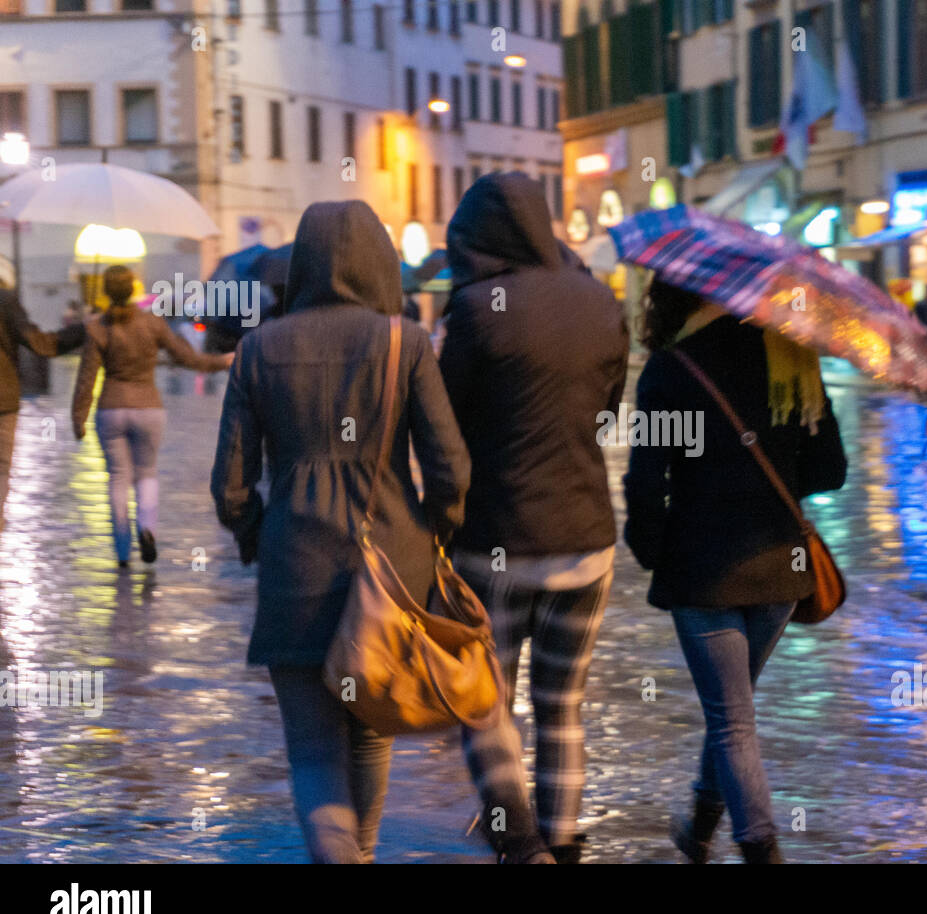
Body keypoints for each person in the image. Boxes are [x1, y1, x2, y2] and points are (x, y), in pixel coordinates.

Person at [211, 200, 471, 863]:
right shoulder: (403, 341)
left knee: (314, 749)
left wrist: (256, 535)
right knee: (370, 731)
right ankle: (364, 852)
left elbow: (230, 485)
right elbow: (451, 467)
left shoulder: (256, 350)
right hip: (393, 568)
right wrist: (435, 532)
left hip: (294, 564)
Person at [623, 279, 848, 864]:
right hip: (780, 567)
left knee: (731, 721)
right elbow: (830, 471)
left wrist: (650, 549)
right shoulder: (790, 357)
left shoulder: (670, 369)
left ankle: (759, 849)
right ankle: (699, 829)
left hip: (705, 569)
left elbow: (648, 480)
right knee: (732, 710)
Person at [440, 172, 627, 864]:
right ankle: (564, 843)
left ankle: (518, 845)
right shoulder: (599, 300)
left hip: (495, 542)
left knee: (485, 703)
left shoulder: (475, 309)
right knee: (563, 705)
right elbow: (609, 409)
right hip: (586, 539)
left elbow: (446, 426)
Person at [70, 266, 231, 566]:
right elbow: (188, 359)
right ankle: (148, 529)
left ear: (106, 291)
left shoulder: (97, 327)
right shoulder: (153, 323)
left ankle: (121, 552)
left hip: (111, 409)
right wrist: (223, 361)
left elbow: (86, 379)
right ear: (133, 289)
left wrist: (78, 418)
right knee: (146, 473)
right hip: (148, 408)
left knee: (118, 478)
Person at [0, 286, 86, 536]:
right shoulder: (4, 299)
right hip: (3, 400)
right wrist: (85, 329)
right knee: (2, 468)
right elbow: (41, 344)